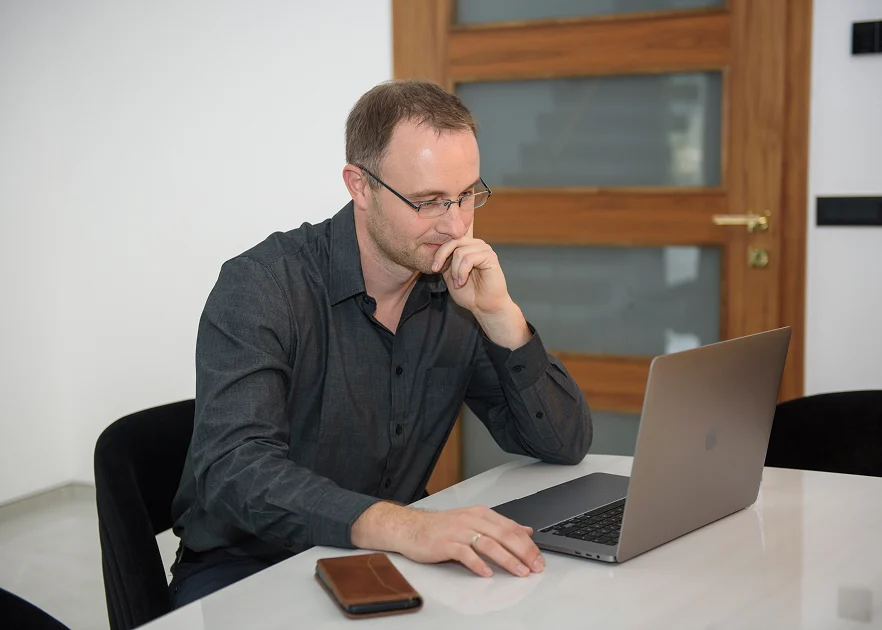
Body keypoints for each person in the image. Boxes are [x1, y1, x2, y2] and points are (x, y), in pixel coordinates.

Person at [168, 79, 593, 608]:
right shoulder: (262, 286)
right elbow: (235, 470)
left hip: (384, 556)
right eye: (429, 202)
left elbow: (562, 444)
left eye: (467, 195)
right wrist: (407, 527)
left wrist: (502, 318)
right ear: (360, 186)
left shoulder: (455, 288)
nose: (455, 224)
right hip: (247, 566)